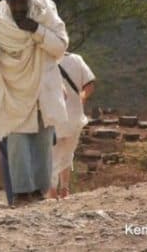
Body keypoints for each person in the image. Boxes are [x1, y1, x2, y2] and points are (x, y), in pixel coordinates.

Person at [0, 0, 68, 205]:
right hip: (12, 90)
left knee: (43, 140)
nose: (18, 6)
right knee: (17, 141)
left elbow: (60, 47)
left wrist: (36, 30)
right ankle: (22, 192)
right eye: (13, 2)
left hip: (42, 87)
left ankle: (40, 191)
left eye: (21, 1)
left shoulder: (44, 12)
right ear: (7, 2)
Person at [48, 52, 95, 199]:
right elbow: (90, 84)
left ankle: (52, 190)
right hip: (75, 117)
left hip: (53, 116)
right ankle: (65, 189)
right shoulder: (77, 59)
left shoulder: (44, 61)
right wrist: (81, 98)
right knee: (67, 154)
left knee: (53, 154)